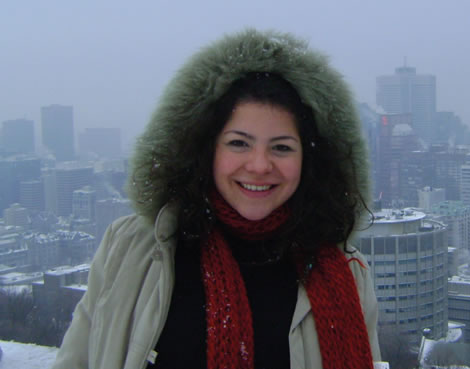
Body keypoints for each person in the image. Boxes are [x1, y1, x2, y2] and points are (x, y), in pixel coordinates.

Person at [52, 29, 381, 369]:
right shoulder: (130, 249)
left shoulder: (347, 274)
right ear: (207, 149)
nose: (258, 165)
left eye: (281, 147)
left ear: (308, 160)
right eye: (239, 143)